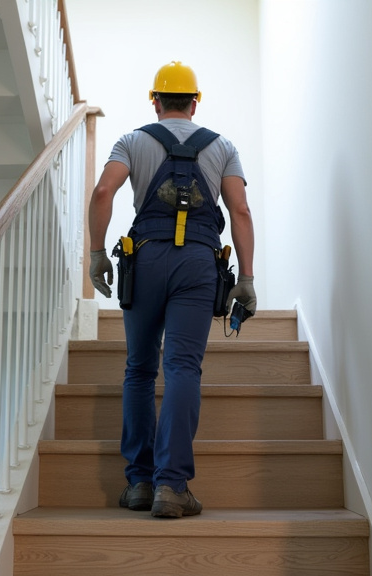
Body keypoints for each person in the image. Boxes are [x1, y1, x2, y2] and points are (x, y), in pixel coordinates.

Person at [88, 61, 257, 518]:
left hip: (145, 261)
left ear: (156, 101)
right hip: (198, 264)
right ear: (195, 102)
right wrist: (246, 278)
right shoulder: (223, 147)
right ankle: (172, 485)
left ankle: (140, 482)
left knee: (140, 369)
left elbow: (104, 192)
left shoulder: (132, 140)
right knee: (183, 367)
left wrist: (97, 253)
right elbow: (239, 211)